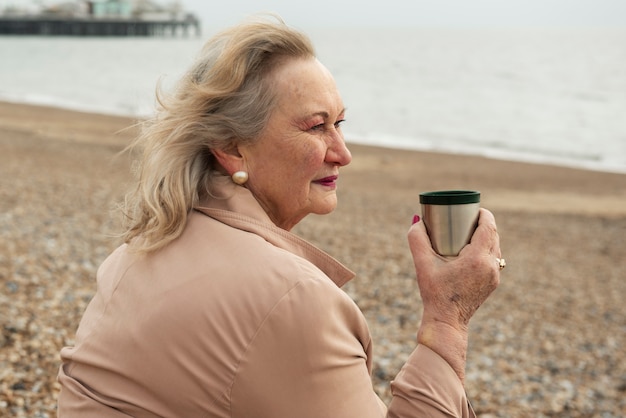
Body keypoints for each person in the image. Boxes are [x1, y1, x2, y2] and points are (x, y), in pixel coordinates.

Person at [57, 16, 503, 417]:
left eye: (340, 123)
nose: (343, 154)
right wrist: (448, 318)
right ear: (232, 148)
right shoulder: (292, 298)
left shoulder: (137, 250)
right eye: (316, 127)